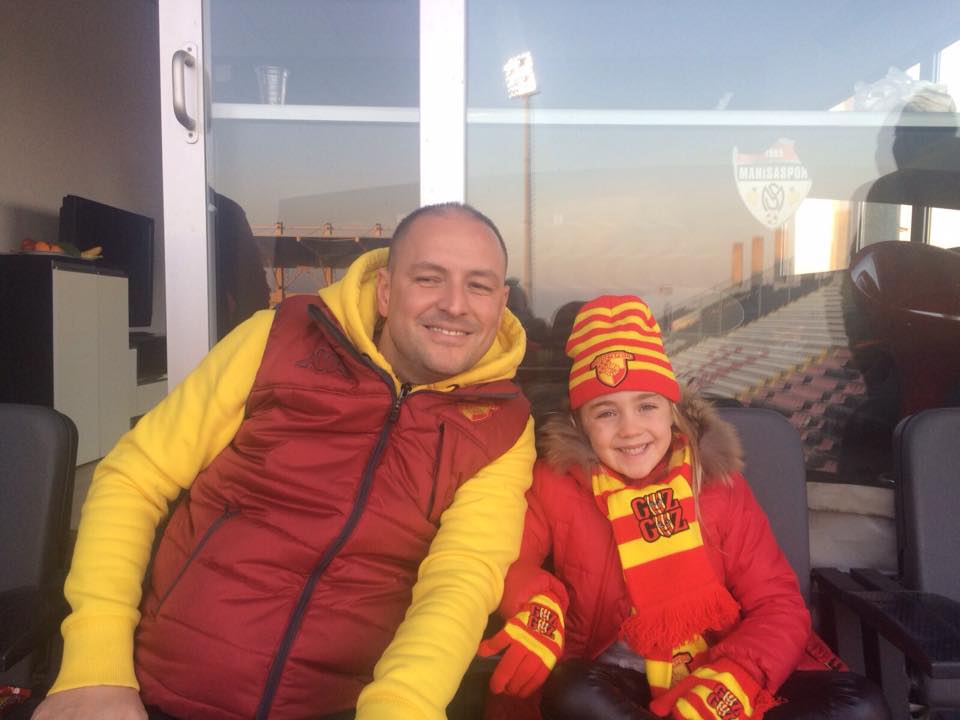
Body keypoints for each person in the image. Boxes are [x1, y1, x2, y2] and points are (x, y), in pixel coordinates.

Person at [32, 202, 537, 720]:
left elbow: (460, 577)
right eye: (429, 278)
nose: (454, 305)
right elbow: (135, 478)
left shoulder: (502, 424)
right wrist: (95, 666)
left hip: (340, 707)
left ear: (501, 303)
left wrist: (403, 707)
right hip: (157, 693)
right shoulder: (276, 338)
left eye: (478, 286)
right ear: (386, 291)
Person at [477, 295, 890, 719]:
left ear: (672, 411)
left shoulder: (718, 482)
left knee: (861, 703)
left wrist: (737, 676)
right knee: (572, 690)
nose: (630, 429)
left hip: (718, 666)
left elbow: (778, 603)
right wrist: (536, 604)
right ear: (579, 423)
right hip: (617, 681)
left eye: (647, 406)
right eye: (605, 413)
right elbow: (506, 560)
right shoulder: (554, 482)